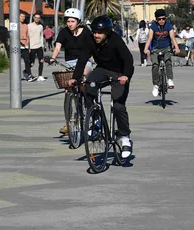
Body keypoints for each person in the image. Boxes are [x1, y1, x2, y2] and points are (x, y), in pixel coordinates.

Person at [68, 16, 135, 158]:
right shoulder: (90, 40)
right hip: (102, 70)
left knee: (118, 106)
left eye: (100, 33)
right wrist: (75, 77)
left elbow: (128, 60)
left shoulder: (116, 40)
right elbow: (82, 60)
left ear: (107, 32)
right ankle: (97, 120)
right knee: (88, 86)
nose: (96, 35)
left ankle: (125, 138)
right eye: (94, 32)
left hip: (120, 73)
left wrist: (125, 76)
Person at [50, 8, 94, 135]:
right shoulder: (64, 32)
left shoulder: (86, 32)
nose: (69, 24)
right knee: (67, 90)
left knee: (83, 79)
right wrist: (53, 57)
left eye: (72, 21)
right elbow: (58, 46)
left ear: (78, 21)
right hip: (70, 63)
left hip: (85, 62)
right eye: (68, 21)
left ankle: (90, 107)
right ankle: (70, 121)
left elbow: (92, 47)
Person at [144, 9, 180, 97]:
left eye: (163, 19)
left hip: (166, 48)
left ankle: (170, 79)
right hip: (155, 49)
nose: (161, 21)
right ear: (156, 19)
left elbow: (172, 37)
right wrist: (146, 49)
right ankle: (156, 85)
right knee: (155, 65)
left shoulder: (168, 25)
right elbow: (149, 38)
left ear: (165, 18)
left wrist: (177, 48)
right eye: (159, 19)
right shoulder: (153, 26)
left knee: (168, 61)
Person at [28, 12, 46, 81]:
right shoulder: (29, 26)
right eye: (36, 17)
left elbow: (41, 37)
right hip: (32, 47)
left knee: (41, 61)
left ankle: (40, 75)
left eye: (38, 18)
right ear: (33, 18)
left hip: (39, 46)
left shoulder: (40, 26)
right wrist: (28, 46)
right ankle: (26, 71)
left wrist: (42, 45)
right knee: (32, 63)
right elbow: (28, 37)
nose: (37, 19)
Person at [19, 13, 35, 82]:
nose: (23, 18)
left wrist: (28, 46)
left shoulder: (26, 26)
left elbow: (28, 36)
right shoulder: (16, 25)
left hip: (25, 46)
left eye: (24, 17)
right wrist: (21, 38)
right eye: (21, 16)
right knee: (16, 62)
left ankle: (29, 75)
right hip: (18, 46)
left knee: (27, 61)